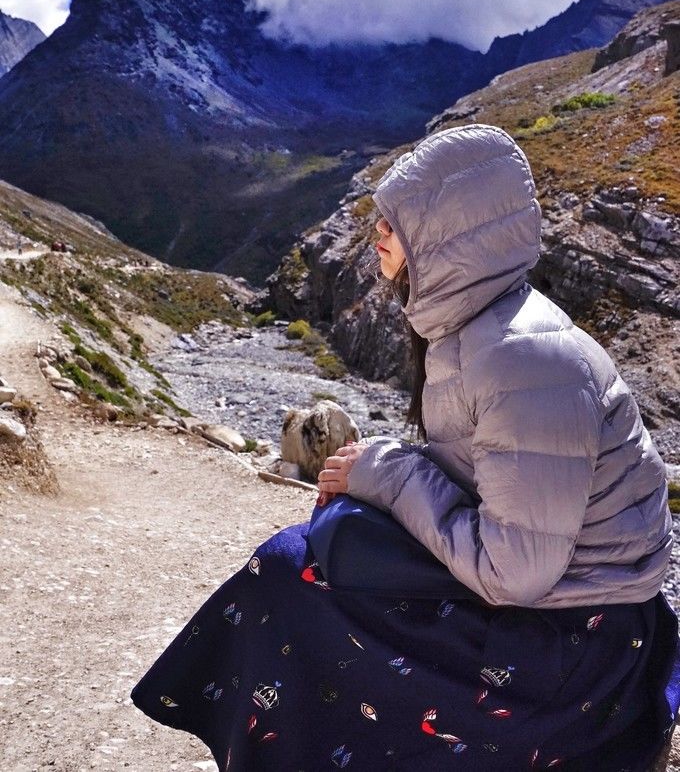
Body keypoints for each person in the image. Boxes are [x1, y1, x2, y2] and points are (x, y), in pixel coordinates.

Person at [131, 124, 679, 770]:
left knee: (292, 573)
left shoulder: (526, 360)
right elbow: (485, 482)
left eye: (398, 222)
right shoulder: (480, 333)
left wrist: (387, 474)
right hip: (558, 614)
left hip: (579, 655)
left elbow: (516, 571)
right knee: (315, 551)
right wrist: (376, 471)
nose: (379, 235)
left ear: (451, 236)